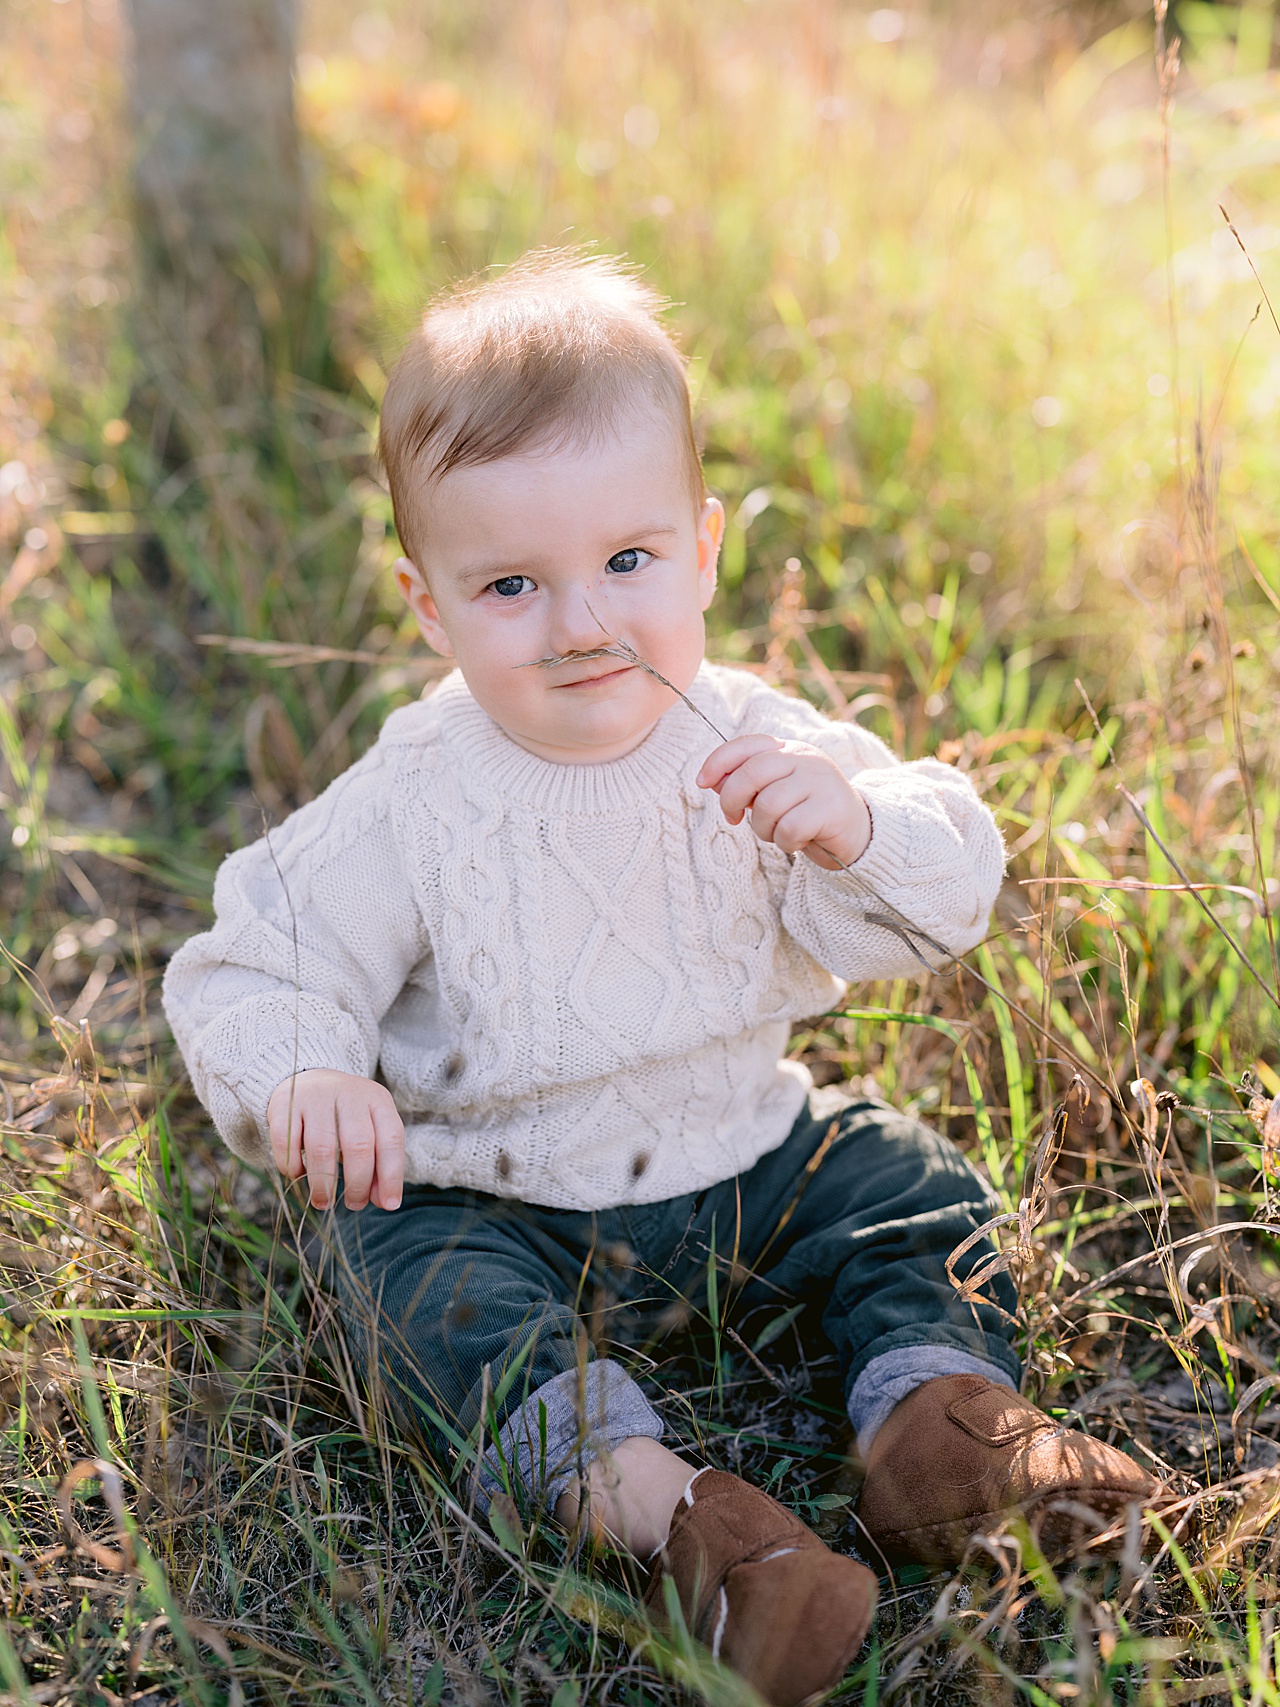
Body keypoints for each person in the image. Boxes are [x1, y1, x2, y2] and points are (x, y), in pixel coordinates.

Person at [163, 251, 1159, 1707]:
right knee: (394, 1277)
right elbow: (261, 953)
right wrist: (306, 1070)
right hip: (499, 1192)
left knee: (909, 1184)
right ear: (428, 604)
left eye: (627, 563)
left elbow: (947, 887)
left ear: (701, 550)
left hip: (746, 1154)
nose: (583, 624)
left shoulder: (751, 736)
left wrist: (856, 825)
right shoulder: (418, 791)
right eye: (512, 583)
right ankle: (681, 1527)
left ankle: (942, 1431)